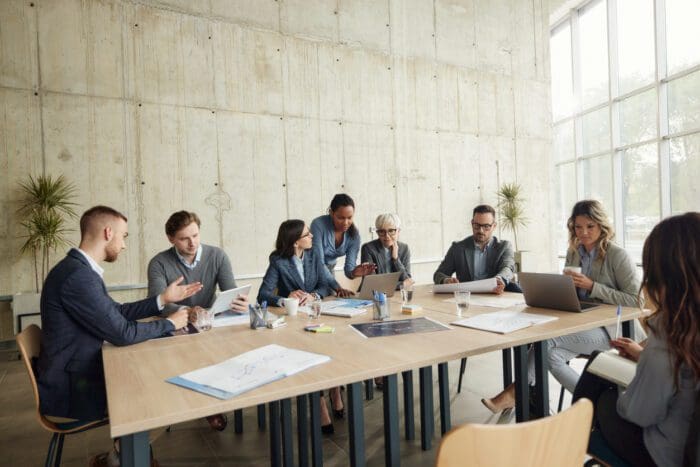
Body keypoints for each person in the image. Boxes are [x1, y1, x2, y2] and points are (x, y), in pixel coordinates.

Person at [37, 206, 201, 467]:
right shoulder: (77, 277)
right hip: (71, 387)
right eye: (124, 236)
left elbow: (117, 312)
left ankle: (120, 455)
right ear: (108, 232)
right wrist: (169, 323)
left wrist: (163, 299)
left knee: (156, 379)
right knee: (165, 392)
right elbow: (122, 333)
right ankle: (127, 455)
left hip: (75, 370)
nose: (124, 245)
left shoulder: (79, 270)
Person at [482, 200, 641, 413]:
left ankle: (515, 392)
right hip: (581, 322)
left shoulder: (617, 255)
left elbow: (636, 300)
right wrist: (561, 288)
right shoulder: (574, 251)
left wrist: (593, 286)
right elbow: (573, 293)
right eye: (578, 227)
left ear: (602, 226)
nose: (583, 232)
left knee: (547, 341)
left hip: (612, 330)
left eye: (590, 226)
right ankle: (592, 406)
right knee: (548, 355)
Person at [572, 212, 700, 467]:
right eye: (578, 227)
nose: (583, 231)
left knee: (605, 395)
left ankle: (569, 435)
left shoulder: (667, 342)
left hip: (664, 454)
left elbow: (639, 413)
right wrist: (641, 356)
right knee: (600, 362)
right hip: (686, 440)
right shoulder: (685, 332)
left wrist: (627, 387)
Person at [147, 210, 249, 431]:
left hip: (209, 326)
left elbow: (230, 292)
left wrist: (240, 302)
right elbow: (157, 303)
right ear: (171, 239)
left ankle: (210, 403)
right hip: (176, 327)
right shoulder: (158, 263)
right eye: (184, 238)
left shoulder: (217, 256)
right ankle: (195, 405)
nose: (192, 243)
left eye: (195, 235)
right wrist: (188, 310)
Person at [256, 220, 339, 433]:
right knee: (310, 356)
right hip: (294, 321)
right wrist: (285, 298)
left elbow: (324, 285)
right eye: (307, 234)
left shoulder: (313, 255)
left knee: (332, 349)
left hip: (317, 313)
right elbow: (263, 295)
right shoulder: (278, 261)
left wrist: (314, 295)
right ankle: (320, 403)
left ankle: (335, 389)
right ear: (295, 242)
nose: (312, 237)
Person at [433, 204, 516, 294]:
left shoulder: (504, 246)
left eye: (486, 226)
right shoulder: (458, 248)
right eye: (477, 225)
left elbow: (508, 268)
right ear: (472, 223)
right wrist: (446, 280)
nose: (481, 230)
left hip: (495, 296)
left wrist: (499, 279)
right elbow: (438, 274)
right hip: (468, 298)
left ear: (494, 226)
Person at [311, 193, 375, 296]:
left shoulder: (354, 236)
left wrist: (354, 273)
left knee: (327, 298)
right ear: (331, 213)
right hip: (310, 270)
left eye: (350, 217)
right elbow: (319, 262)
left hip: (328, 273)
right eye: (340, 218)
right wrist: (338, 287)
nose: (345, 223)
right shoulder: (318, 225)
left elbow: (349, 270)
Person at [360, 213, 412, 286]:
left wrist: (396, 259)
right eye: (382, 231)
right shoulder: (368, 248)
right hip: (374, 295)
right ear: (378, 233)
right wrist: (401, 284)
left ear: (398, 231)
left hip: (397, 294)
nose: (387, 236)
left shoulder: (404, 248)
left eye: (391, 231)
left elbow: (407, 280)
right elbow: (372, 282)